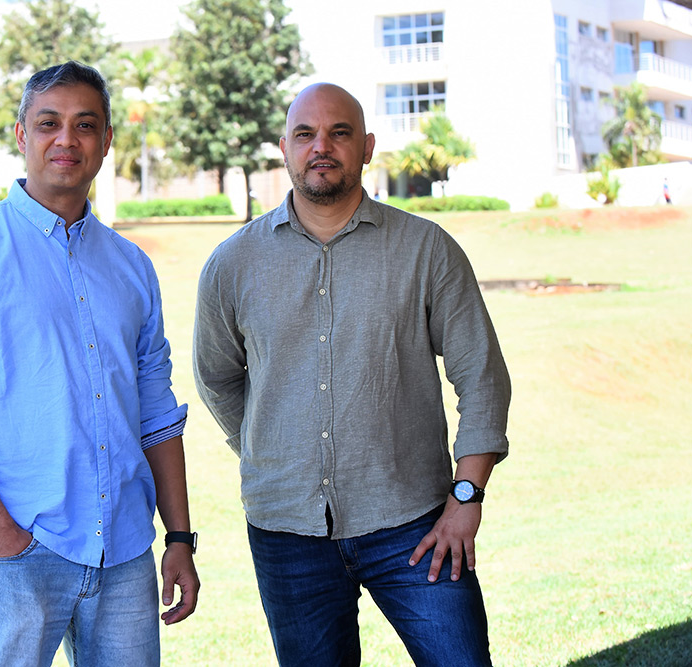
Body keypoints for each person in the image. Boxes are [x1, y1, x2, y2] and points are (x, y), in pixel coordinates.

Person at [193, 82, 510, 666]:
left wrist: (467, 495)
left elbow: (482, 375)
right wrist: (264, 444)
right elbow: (216, 375)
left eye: (339, 133)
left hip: (415, 524)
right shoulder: (232, 264)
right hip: (286, 532)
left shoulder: (427, 250)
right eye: (305, 134)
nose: (322, 147)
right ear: (283, 149)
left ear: (365, 147)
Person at [0, 61, 199, 667]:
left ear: (107, 141)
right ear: (21, 135)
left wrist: (177, 538)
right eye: (48, 123)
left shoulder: (132, 266)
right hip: (18, 548)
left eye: (85, 124)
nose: (67, 139)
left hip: (122, 551)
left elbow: (156, 410)